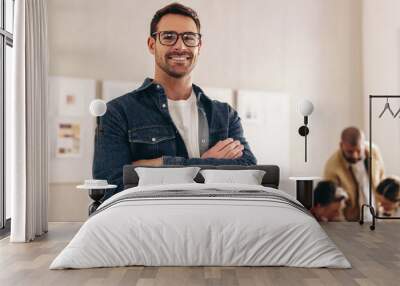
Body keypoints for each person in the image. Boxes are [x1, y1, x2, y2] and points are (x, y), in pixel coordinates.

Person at [93, 3, 257, 200]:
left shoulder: (225, 115)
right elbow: (111, 187)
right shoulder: (117, 112)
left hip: (217, 224)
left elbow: (250, 173)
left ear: (199, 46)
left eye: (189, 38)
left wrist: (160, 164)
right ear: (152, 44)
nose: (180, 46)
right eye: (169, 37)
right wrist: (208, 164)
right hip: (151, 227)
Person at [324, 127, 385, 221]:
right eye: (350, 151)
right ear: (341, 145)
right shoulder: (332, 167)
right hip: (352, 222)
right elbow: (332, 204)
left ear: (363, 144)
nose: (355, 155)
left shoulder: (374, 151)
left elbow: (381, 178)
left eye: (358, 150)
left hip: (376, 216)